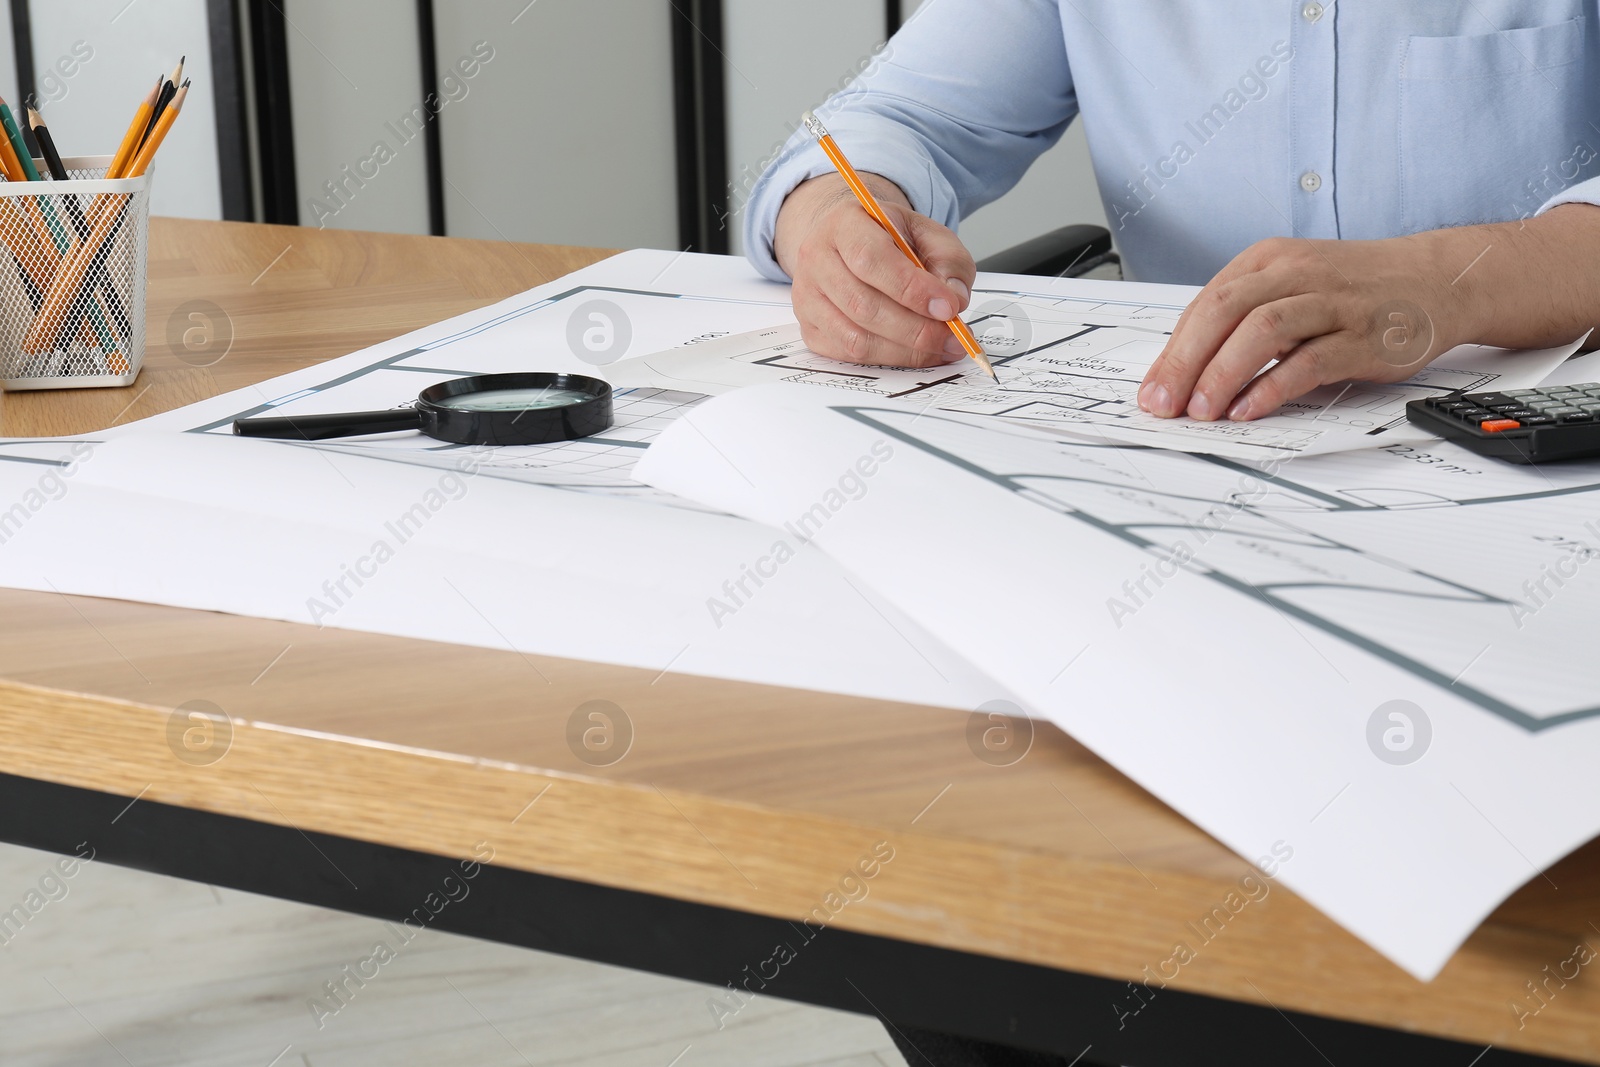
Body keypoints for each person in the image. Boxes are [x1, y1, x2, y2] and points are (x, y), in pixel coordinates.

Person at [745, 1, 1600, 423]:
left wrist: (1445, 282)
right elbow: (899, 120)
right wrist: (833, 220)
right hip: (1183, 447)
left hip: (1533, 443)